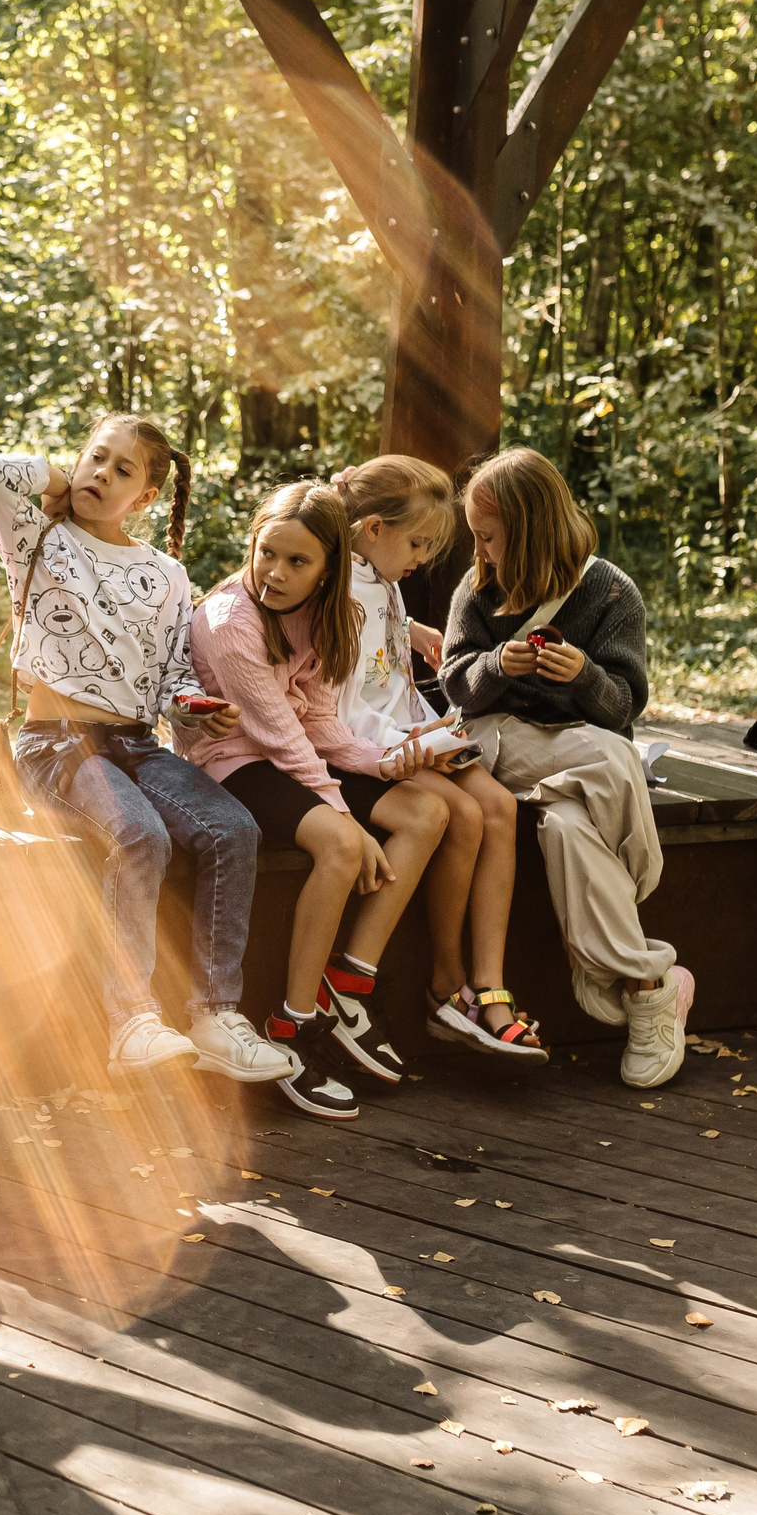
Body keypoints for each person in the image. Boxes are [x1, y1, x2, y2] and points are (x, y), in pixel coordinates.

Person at [0, 417, 298, 1084]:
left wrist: (195, 710)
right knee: (139, 833)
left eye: (123, 471)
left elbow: (173, 674)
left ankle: (214, 1016)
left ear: (147, 497)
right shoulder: (40, 539)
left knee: (234, 827)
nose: (102, 474)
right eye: (97, 458)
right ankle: (131, 1021)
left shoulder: (168, 574)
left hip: (135, 742)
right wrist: (64, 483)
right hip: (54, 745)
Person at [439, 448, 689, 1088]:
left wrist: (585, 676)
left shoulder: (610, 592)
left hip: (576, 750)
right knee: (611, 762)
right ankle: (644, 911)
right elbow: (455, 684)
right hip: (499, 742)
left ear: (529, 530)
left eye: (489, 536)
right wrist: (499, 665)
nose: (481, 548)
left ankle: (644, 984)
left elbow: (624, 705)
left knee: (570, 829)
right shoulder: (478, 588)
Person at [313, 457, 543, 1067]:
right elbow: (337, 707)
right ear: (371, 529)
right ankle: (446, 984)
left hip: (411, 726)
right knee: (462, 814)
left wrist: (410, 629)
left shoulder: (380, 578)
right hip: (371, 748)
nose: (421, 558)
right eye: (417, 543)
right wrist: (413, 740)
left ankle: (486, 985)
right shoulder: (337, 590)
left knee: (497, 805)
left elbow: (385, 671)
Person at [175, 481, 385, 1121]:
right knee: (343, 845)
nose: (275, 573)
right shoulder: (230, 620)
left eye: (298, 562)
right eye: (268, 553)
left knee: (426, 809)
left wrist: (391, 763)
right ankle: (293, 1023)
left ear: (328, 569)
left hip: (287, 756)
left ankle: (351, 984)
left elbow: (318, 723)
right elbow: (277, 733)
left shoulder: (333, 615)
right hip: (232, 762)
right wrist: (346, 815)